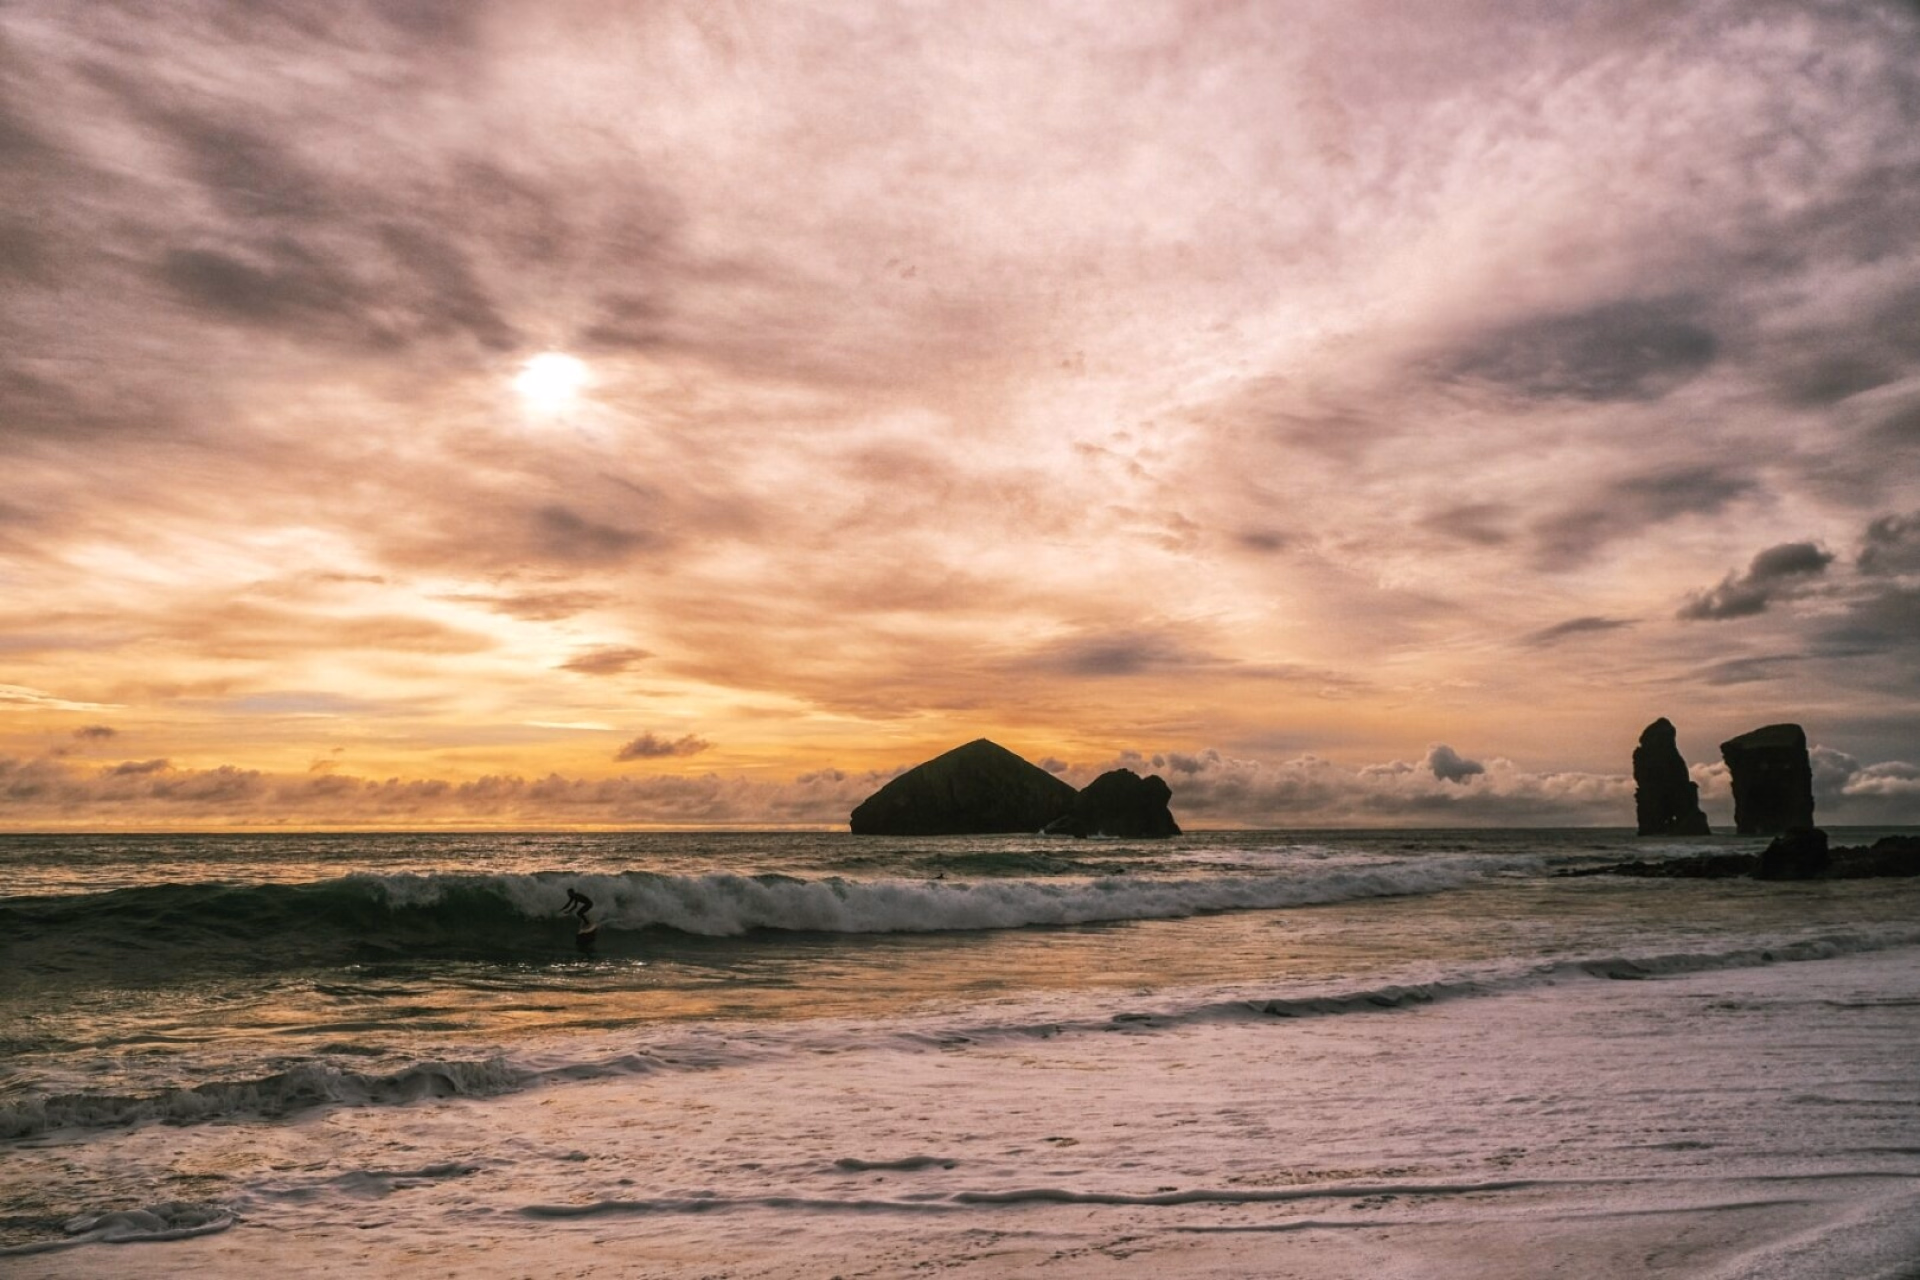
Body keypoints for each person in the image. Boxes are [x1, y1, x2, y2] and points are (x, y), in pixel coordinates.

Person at [562, 887, 597, 954]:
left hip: (589, 904)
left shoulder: (576, 896)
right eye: (568, 893)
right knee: (580, 913)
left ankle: (587, 922)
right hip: (587, 904)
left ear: (571, 892)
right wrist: (563, 909)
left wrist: (568, 911)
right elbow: (569, 904)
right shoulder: (573, 896)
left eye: (568, 893)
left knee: (579, 913)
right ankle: (586, 921)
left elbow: (574, 906)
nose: (568, 894)